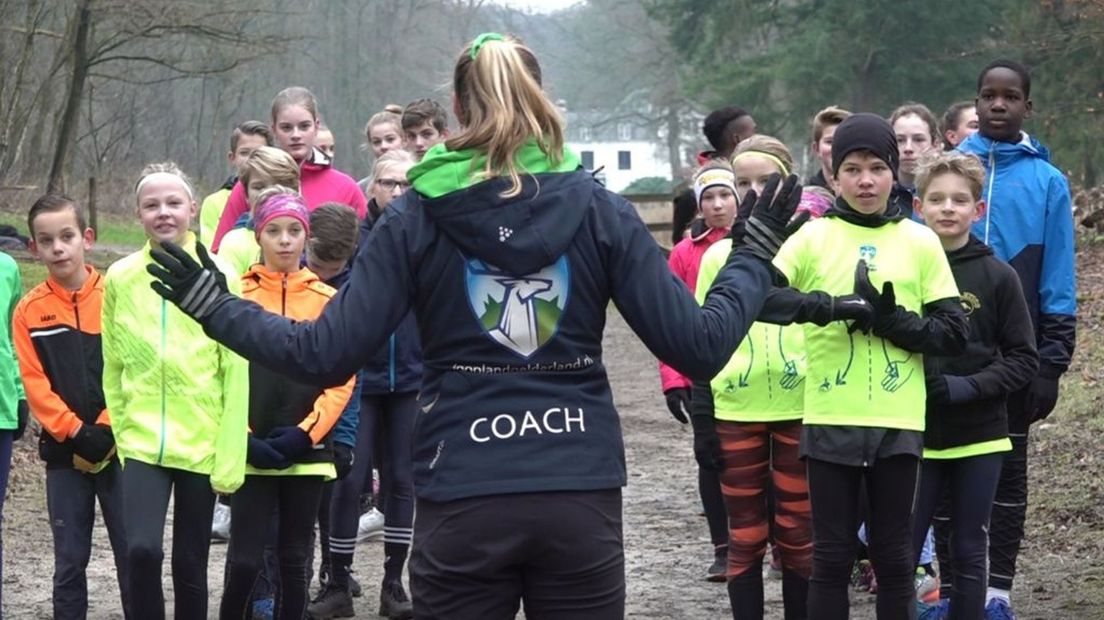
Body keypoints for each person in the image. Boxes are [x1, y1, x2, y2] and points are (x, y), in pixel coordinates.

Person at [146, 32, 804, 619]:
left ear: (458, 112)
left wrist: (214, 305)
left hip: (463, 488)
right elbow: (702, 345)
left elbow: (322, 353)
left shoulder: (417, 216)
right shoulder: (599, 208)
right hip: (576, 489)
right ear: (541, 100)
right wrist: (751, 254)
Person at [771, 113, 969, 620]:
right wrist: (830, 308)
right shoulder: (813, 237)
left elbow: (953, 333)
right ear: (834, 175)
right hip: (830, 417)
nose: (865, 180)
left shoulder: (920, 240)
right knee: (831, 556)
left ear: (893, 173)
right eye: (852, 168)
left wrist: (890, 321)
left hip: (898, 423)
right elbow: (760, 299)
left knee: (895, 556)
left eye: (877, 168)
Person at [956, 59, 1076, 620]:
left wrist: (1052, 361)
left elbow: (1058, 276)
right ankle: (951, 590)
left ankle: (997, 589)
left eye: (1010, 97)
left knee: (1007, 473)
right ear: (975, 103)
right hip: (947, 350)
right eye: (988, 96)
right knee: (943, 469)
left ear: (1028, 106)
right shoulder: (952, 173)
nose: (998, 105)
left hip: (1015, 356)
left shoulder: (1048, 182)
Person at [104, 162, 247, 619]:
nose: (163, 213)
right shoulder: (121, 277)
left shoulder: (221, 270)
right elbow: (112, 365)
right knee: (141, 550)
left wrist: (229, 450)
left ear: (191, 207)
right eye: (151, 205)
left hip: (201, 441)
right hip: (143, 440)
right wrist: (124, 433)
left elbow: (236, 367)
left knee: (191, 560)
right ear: (138, 214)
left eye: (172, 203)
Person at [692, 137, 820, 620]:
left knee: (799, 537)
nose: (753, 193)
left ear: (789, 183)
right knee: (744, 537)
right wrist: (704, 418)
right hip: (736, 412)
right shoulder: (715, 256)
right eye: (741, 183)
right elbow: (700, 341)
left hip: (802, 408)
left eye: (765, 181)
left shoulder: (812, 244)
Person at [911, 152, 1038, 620]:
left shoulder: (999, 277)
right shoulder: (906, 271)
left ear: (977, 210)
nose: (948, 208)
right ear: (918, 206)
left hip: (980, 435)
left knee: (968, 548)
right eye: (937, 199)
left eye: (959, 200)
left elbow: (1024, 359)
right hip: (912, 436)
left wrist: (966, 387)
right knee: (902, 548)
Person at [220, 187, 354, 620]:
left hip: (308, 452)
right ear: (258, 236)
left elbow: (342, 377)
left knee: (295, 559)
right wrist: (241, 437)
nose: (284, 240)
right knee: (243, 559)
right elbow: (217, 374)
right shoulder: (235, 295)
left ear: (306, 236)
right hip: (248, 449)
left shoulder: (330, 302)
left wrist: (305, 433)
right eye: (273, 230)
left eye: (293, 230)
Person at [310, 154, 420, 620]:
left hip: (411, 376)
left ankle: (394, 584)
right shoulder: (358, 239)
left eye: (404, 182)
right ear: (370, 186)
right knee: (348, 481)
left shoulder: (424, 231)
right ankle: (337, 580)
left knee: (401, 479)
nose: (396, 190)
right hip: (360, 377)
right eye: (387, 181)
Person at [14, 194, 122, 619]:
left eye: (66, 236)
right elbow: (35, 383)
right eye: (46, 240)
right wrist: (76, 432)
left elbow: (135, 367)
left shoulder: (117, 295)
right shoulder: (29, 311)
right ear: (33, 248)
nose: (58, 247)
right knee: (70, 561)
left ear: (86, 239)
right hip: (64, 456)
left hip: (122, 450)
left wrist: (108, 428)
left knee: (134, 554)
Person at [659, 161, 739, 582]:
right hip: (702, 372)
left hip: (754, 369)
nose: (718, 204)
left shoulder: (757, 245)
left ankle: (779, 544)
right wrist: (673, 380)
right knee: (711, 459)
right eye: (709, 197)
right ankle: (723, 548)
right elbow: (669, 318)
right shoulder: (684, 253)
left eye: (725, 194)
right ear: (699, 204)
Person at [211, 87, 367, 251]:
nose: (296, 135)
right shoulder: (251, 184)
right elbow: (220, 252)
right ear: (274, 130)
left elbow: (364, 251)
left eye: (304, 126)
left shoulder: (345, 187)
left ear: (316, 127)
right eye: (286, 128)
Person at [217, 146, 302, 276]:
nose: (268, 193)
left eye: (279, 184)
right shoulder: (235, 243)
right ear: (246, 194)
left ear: (296, 191)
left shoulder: (307, 239)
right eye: (259, 187)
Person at [199, 121, 274, 248]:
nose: (251, 159)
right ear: (232, 157)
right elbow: (212, 250)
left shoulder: (281, 196)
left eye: (259, 153)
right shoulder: (213, 202)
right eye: (244, 153)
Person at [890, 103, 941, 193]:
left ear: (935, 145)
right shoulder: (880, 195)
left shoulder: (950, 190)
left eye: (918, 140)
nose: (908, 148)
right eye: (900, 140)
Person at [358, 105, 407, 195]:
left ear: (404, 140)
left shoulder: (420, 181)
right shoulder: (362, 189)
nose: (383, 146)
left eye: (390, 139)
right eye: (377, 142)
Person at [807, 106, 852, 193]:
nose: (837, 148)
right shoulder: (804, 200)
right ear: (816, 149)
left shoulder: (871, 194)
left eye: (845, 140)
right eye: (830, 142)